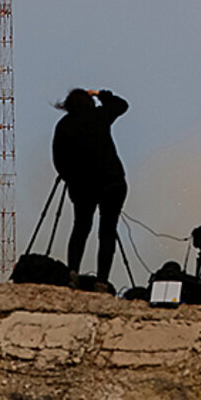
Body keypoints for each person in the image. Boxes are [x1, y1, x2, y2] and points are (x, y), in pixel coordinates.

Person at [52, 88, 130, 292]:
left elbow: (59, 161)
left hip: (83, 187)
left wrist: (72, 179)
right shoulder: (99, 116)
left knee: (80, 228)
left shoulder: (64, 125)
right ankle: (102, 281)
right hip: (112, 182)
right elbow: (122, 105)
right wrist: (100, 93)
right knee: (107, 232)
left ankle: (73, 274)